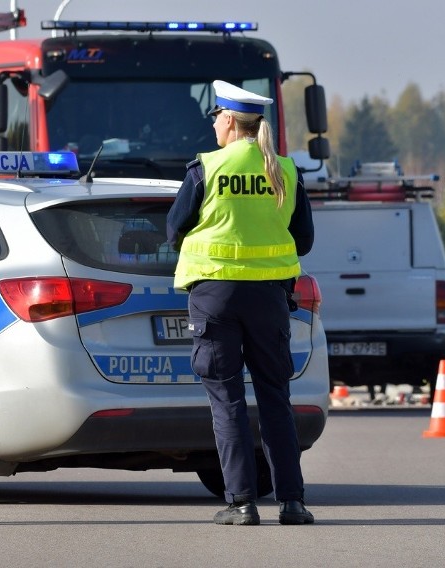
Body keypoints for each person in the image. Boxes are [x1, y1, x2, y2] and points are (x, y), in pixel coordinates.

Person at [167, 80, 315, 526]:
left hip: (215, 297)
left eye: (216, 116)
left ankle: (242, 504)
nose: (214, 123)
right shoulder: (285, 170)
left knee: (226, 398)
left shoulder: (204, 169)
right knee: (275, 397)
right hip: (270, 297)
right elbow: (304, 241)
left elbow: (174, 232)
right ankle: (291, 503)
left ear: (229, 120)